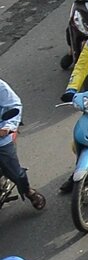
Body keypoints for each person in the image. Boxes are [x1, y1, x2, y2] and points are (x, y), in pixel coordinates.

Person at [0, 77, 44, 212]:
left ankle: (29, 192)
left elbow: (14, 105)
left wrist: (8, 126)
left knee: (16, 174)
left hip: (1, 138)